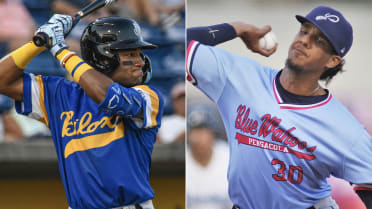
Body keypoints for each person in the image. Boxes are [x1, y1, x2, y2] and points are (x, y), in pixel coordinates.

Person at [186, 5, 372, 209]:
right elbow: (184, 44)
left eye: (318, 40)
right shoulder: (239, 76)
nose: (304, 40)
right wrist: (236, 28)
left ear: (332, 60)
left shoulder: (344, 129)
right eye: (304, 30)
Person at [0, 14, 164, 209]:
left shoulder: (148, 96)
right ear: (104, 59)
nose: (140, 62)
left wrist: (60, 50)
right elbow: (3, 80)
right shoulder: (61, 94)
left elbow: (105, 95)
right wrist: (39, 42)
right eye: (130, 54)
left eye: (139, 54)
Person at [186, 104, 231, 209]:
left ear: (213, 133)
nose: (199, 138)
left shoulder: (229, 157)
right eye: (195, 131)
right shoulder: (183, 160)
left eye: (204, 131)